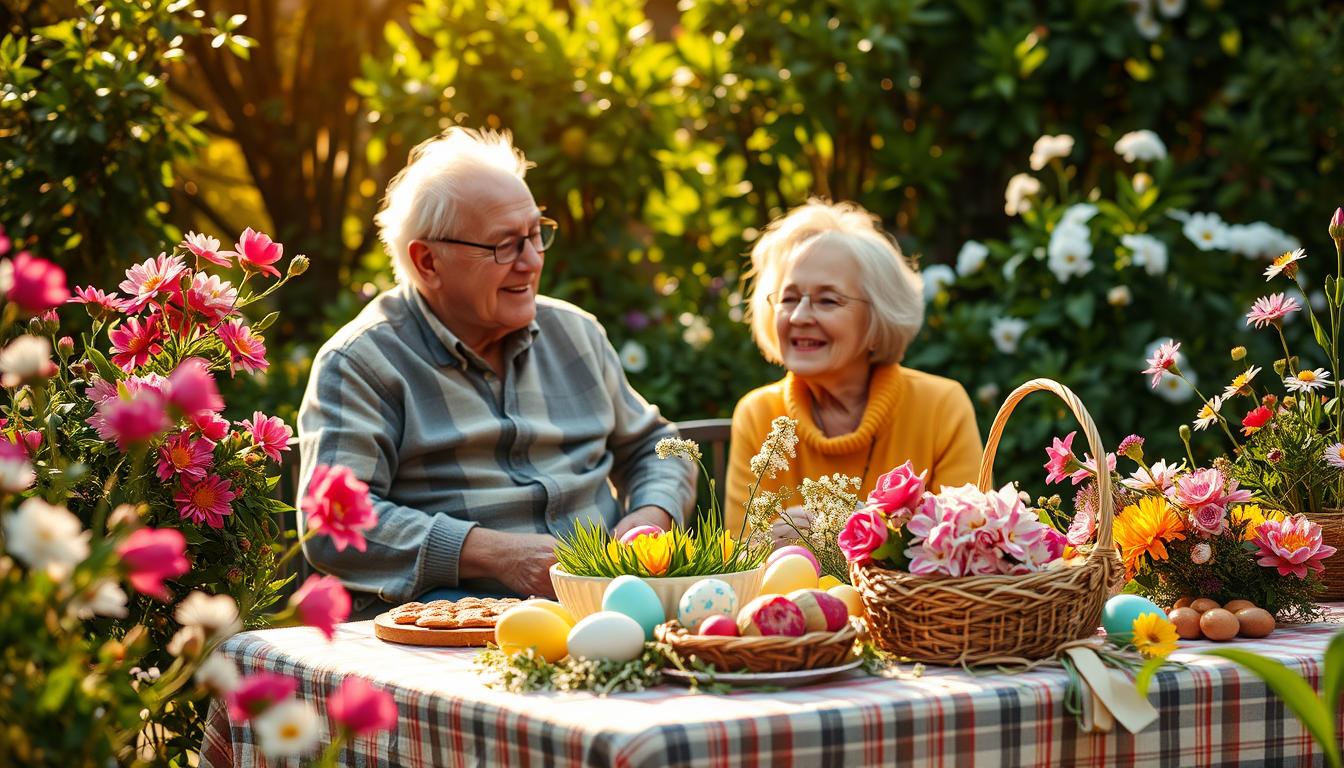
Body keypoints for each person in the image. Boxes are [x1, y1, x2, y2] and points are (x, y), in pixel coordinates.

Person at [297, 127, 693, 614]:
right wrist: (494, 555)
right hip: (453, 621)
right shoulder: (361, 363)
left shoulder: (576, 334)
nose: (531, 261)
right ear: (428, 261)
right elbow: (331, 527)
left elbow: (658, 445)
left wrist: (650, 515)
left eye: (535, 235)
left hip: (610, 603)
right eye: (505, 245)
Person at [726, 199, 983, 544]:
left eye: (828, 300)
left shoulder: (941, 406)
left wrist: (841, 535)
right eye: (788, 298)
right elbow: (741, 554)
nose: (799, 316)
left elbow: (969, 541)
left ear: (878, 317)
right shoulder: (758, 415)